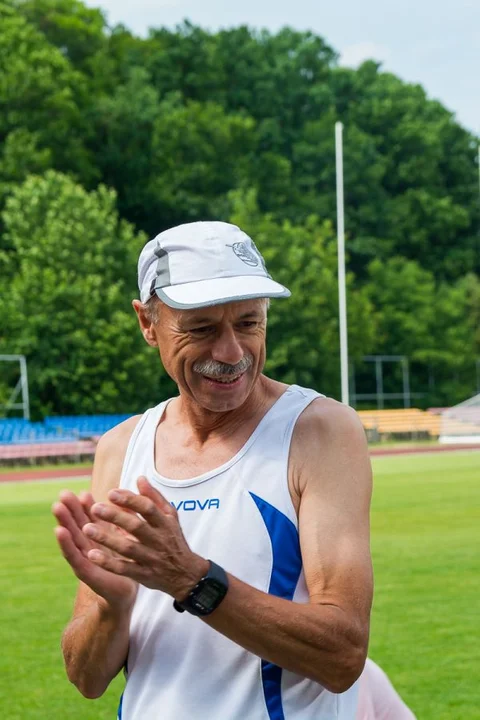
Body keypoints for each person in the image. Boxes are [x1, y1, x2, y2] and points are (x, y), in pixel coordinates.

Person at [53, 221, 374, 719]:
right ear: (146, 322)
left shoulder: (319, 433)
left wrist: (189, 579)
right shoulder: (121, 448)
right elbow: (87, 679)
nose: (231, 353)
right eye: (201, 329)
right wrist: (111, 609)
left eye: (248, 323)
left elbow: (342, 656)